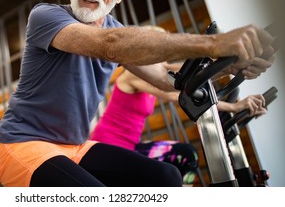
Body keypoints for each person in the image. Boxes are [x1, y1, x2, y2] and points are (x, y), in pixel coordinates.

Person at [0, 0, 275, 187]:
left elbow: (167, 77)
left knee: (168, 178)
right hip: (21, 143)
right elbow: (108, 46)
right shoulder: (47, 16)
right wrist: (214, 44)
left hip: (74, 146)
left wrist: (228, 67)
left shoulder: (114, 27)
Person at [90, 66, 267, 186]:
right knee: (186, 155)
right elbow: (177, 95)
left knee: (179, 163)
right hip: (109, 145)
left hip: (131, 146)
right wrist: (234, 107)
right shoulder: (133, 75)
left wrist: (226, 66)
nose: (164, 61)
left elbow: (179, 70)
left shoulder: (156, 72)